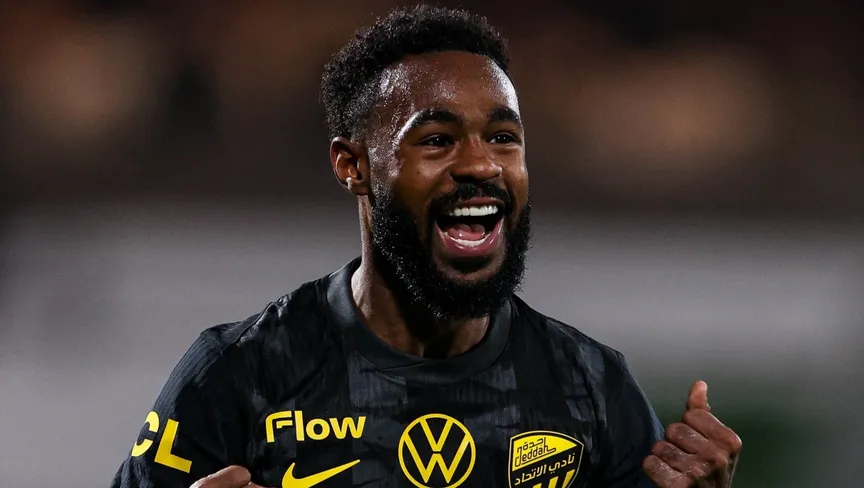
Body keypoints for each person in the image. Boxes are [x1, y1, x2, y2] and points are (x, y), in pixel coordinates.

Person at [111, 5, 741, 488]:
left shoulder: (591, 387)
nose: (482, 165)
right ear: (353, 166)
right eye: (437, 140)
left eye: (503, 138)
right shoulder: (238, 375)